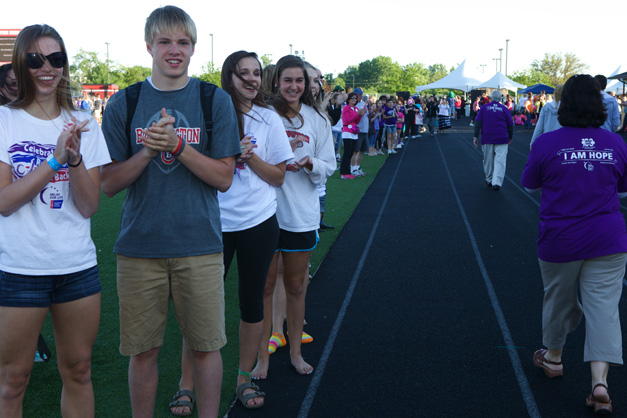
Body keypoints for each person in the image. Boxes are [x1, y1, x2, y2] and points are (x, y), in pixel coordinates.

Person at [100, 6, 241, 418]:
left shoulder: (213, 99)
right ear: (149, 46)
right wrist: (148, 150)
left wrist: (179, 147)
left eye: (182, 42)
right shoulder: (124, 102)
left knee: (206, 348)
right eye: (165, 41)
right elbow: (108, 183)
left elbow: (224, 178)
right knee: (143, 352)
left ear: (194, 47)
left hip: (200, 245)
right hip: (139, 248)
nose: (174, 50)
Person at [0, 24, 111, 417]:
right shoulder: (4, 120)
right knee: (13, 380)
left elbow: (89, 206)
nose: (46, 68)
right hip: (20, 268)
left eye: (56, 58)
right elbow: (4, 203)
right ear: (21, 63)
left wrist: (75, 159)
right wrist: (55, 159)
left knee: (79, 370)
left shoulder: (83, 122)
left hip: (76, 267)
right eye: (35, 59)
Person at [173, 51, 293, 412]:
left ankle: (244, 378)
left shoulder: (269, 118)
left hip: (259, 222)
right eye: (244, 74)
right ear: (230, 77)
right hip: (213, 223)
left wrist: (250, 157)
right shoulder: (209, 114)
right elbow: (195, 167)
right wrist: (226, 155)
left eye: (256, 73)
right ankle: (186, 383)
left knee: (252, 302)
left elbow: (279, 177)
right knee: (199, 306)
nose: (252, 80)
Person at [521, 74, 627, 416]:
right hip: (609, 238)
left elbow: (529, 185)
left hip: (561, 238)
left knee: (558, 299)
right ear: (600, 105)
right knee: (605, 309)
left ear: (563, 104)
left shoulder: (547, 143)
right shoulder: (616, 143)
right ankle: (600, 383)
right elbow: (624, 190)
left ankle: (553, 358)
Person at [251, 54, 335, 379]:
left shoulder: (318, 119)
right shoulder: (263, 115)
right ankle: (262, 358)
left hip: (301, 214)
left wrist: (311, 162)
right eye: (288, 80)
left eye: (300, 80)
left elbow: (329, 164)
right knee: (265, 288)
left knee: (297, 287)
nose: (294, 86)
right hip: (265, 213)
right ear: (276, 81)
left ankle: (296, 354)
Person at [472, 90, 513, 190]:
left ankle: (489, 178)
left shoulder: (484, 108)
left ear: (490, 98)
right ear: (500, 98)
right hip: (502, 137)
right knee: (500, 161)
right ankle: (497, 182)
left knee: (488, 160)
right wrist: (510, 137)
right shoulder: (504, 108)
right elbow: (510, 124)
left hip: (487, 137)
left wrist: (475, 136)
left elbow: (477, 123)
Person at [339, 91, 364, 178]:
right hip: (347, 132)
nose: (354, 99)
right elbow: (347, 120)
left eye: (355, 98)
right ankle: (344, 173)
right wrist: (357, 114)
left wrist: (360, 115)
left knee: (351, 153)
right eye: (352, 98)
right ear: (349, 99)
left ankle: (347, 172)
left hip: (353, 132)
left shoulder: (356, 109)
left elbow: (356, 121)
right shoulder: (346, 108)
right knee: (347, 153)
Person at [351, 87, 369, 176]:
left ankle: (357, 167)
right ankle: (352, 169)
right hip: (357, 130)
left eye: (361, 94)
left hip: (364, 130)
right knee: (355, 151)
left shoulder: (363, 103)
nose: (361, 96)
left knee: (362, 150)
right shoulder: (353, 105)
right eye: (359, 94)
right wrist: (360, 114)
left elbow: (366, 114)